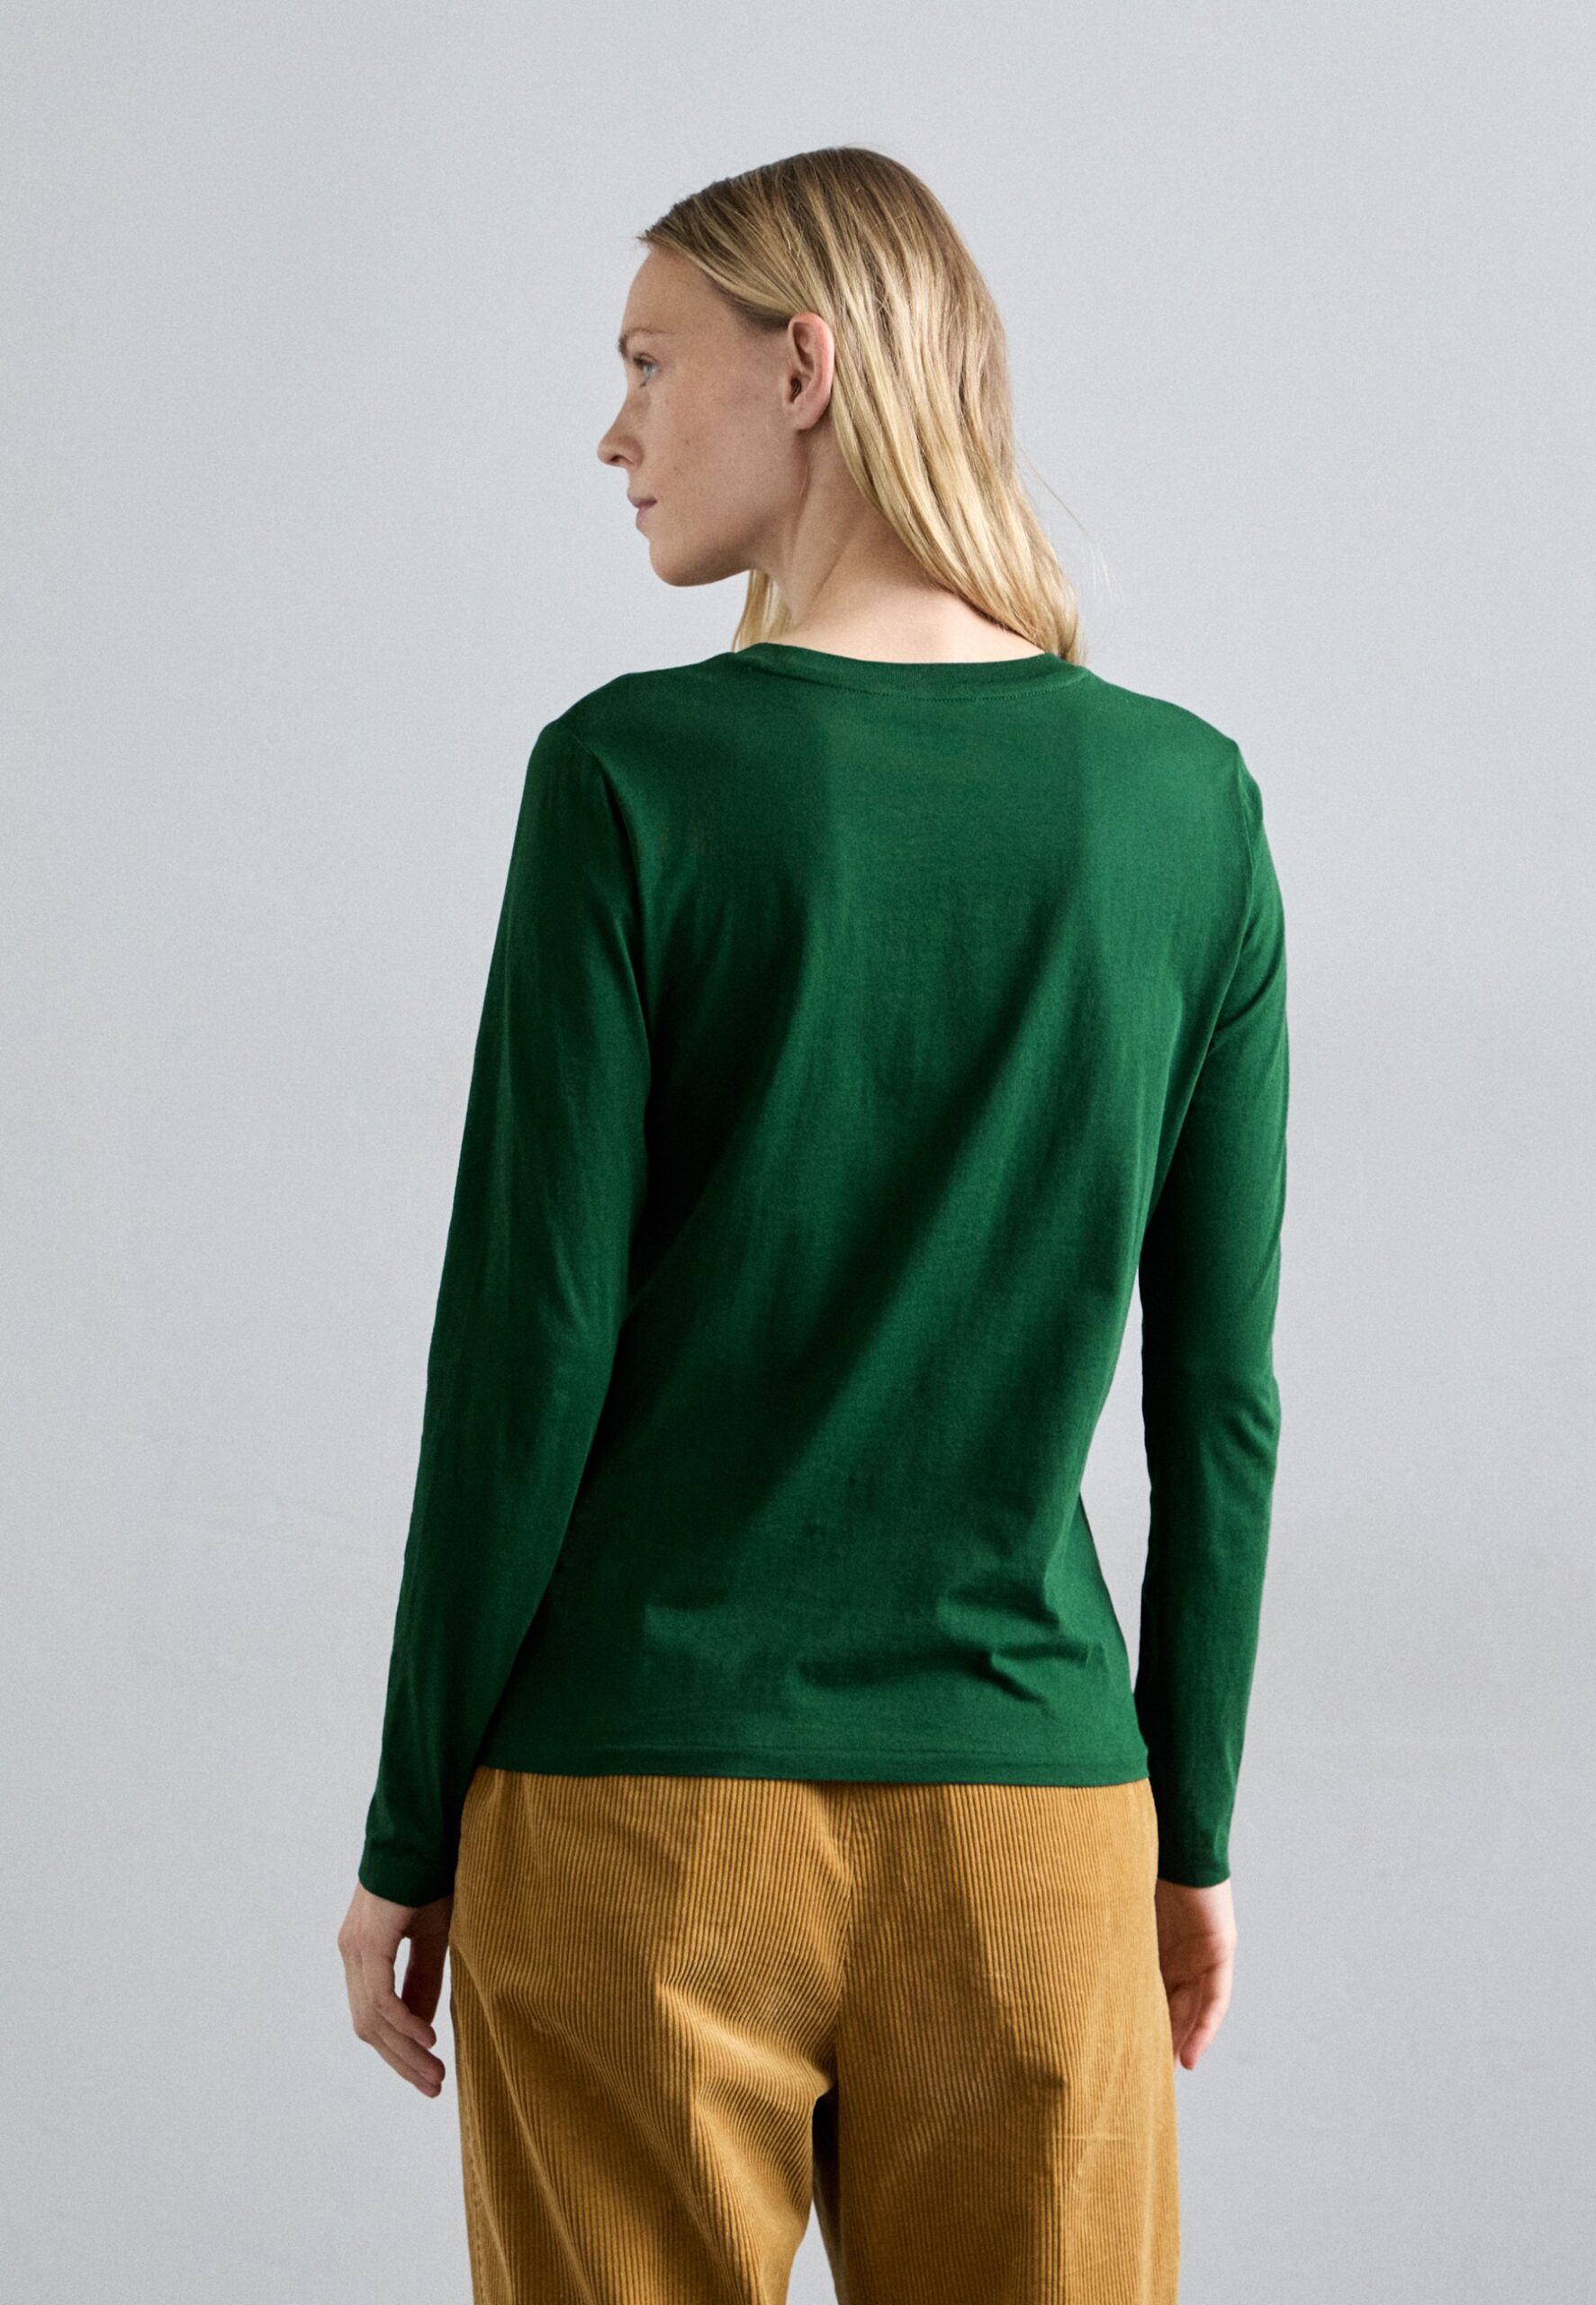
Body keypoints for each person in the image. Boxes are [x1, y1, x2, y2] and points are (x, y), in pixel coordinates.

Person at [338, 144, 1289, 2305]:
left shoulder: (632, 777)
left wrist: (408, 1823)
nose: (612, 432)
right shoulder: (1185, 805)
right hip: (1031, 1820)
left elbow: (522, 1349)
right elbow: (1217, 1398)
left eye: (644, 362)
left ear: (803, 366)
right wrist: (1188, 1821)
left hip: (630, 1805)